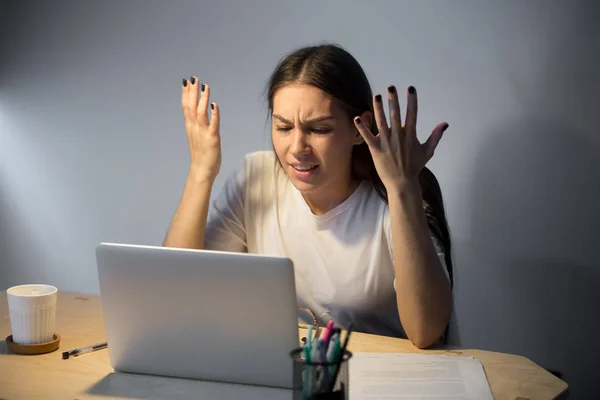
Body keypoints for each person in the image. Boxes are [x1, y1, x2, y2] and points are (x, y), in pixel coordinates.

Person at [163, 43, 453, 349]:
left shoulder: (389, 198)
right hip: (294, 370)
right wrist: (201, 172)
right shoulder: (257, 178)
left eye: (318, 129)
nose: (297, 147)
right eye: (284, 127)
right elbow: (175, 289)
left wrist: (403, 188)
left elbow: (426, 331)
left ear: (360, 129)